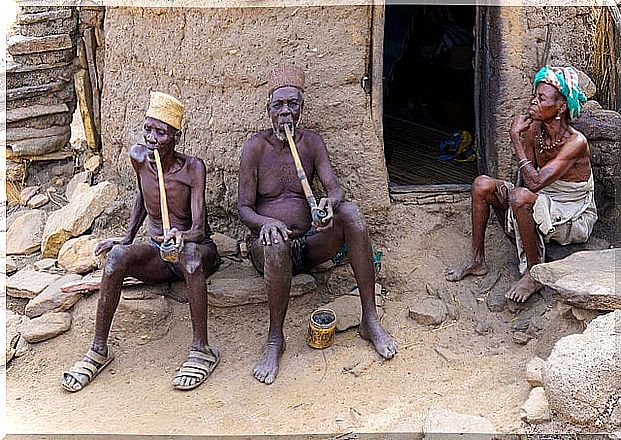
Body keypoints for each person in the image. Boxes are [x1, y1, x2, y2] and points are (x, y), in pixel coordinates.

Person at [237, 65, 398, 385]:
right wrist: (266, 222)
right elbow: (243, 208)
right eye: (278, 105)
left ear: (301, 108)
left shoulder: (311, 143)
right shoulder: (255, 148)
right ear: (268, 108)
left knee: (351, 213)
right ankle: (275, 339)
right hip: (268, 248)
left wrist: (328, 204)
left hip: (308, 244)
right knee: (276, 241)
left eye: (292, 104)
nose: (285, 112)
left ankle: (369, 319)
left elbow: (335, 189)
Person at [61, 92, 221, 392]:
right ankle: (98, 350)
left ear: (176, 136)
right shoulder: (138, 157)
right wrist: (128, 236)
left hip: (196, 251)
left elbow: (199, 229)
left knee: (190, 256)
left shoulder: (192, 168)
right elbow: (141, 194)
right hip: (161, 255)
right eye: (147, 129)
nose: (151, 138)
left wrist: (181, 236)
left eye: (160, 132)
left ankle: (201, 349)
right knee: (117, 257)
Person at [446, 65, 597, 303]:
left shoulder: (576, 142)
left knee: (519, 197)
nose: (533, 102)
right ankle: (477, 260)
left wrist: (515, 139)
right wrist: (524, 140)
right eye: (534, 96)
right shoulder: (535, 130)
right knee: (481, 185)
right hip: (540, 196)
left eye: (541, 98)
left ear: (561, 107)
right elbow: (528, 179)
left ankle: (534, 273)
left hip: (570, 212)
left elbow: (534, 183)